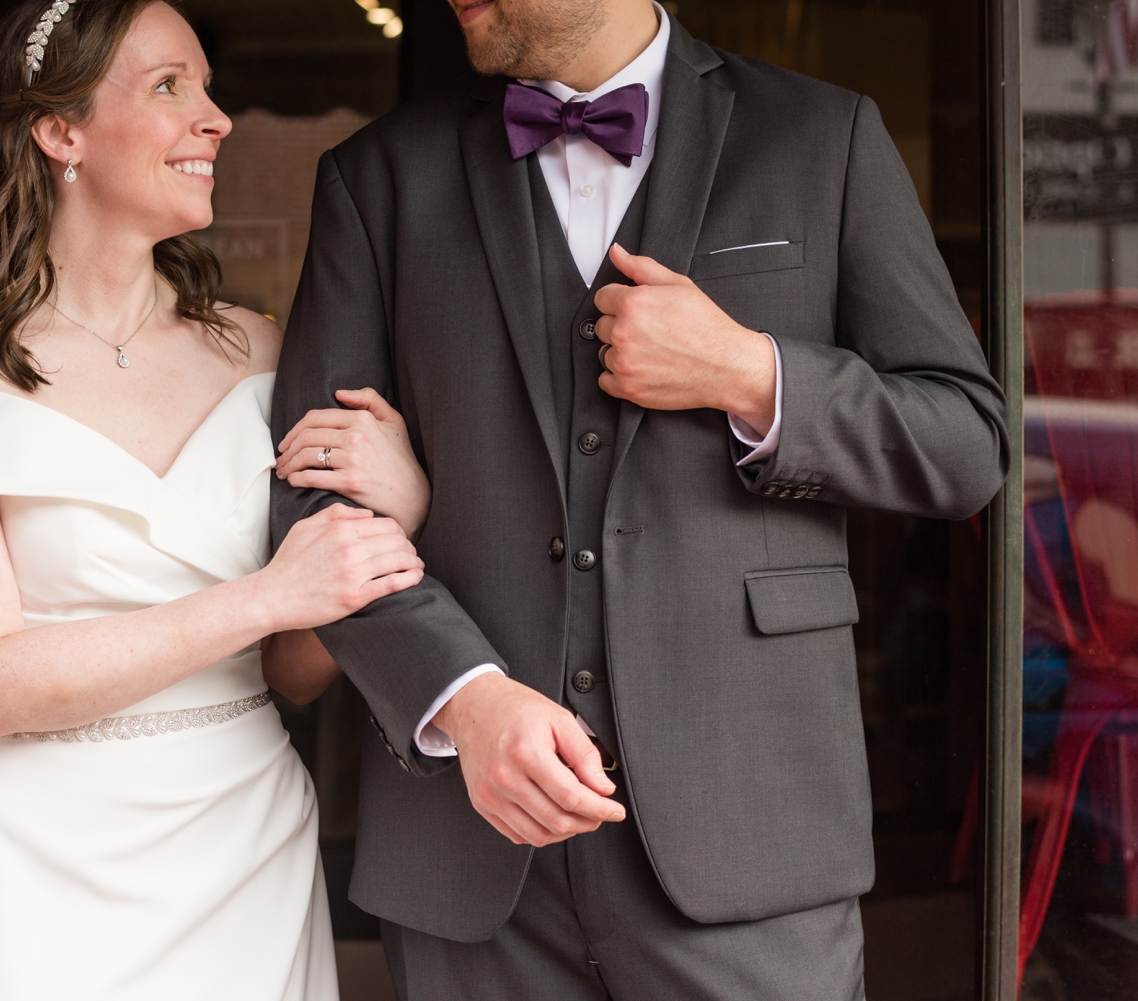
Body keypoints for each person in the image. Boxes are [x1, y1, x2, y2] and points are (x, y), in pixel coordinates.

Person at [270, 0, 1010, 997]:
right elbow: (317, 503)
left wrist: (750, 373)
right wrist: (465, 699)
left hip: (747, 826)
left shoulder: (819, 136)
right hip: (468, 842)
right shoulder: (380, 177)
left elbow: (965, 441)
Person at [0, 2, 432, 998]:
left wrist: (395, 512)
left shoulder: (261, 350)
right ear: (59, 132)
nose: (217, 118)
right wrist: (263, 596)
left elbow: (292, 670)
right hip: (31, 862)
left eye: (207, 88)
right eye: (171, 86)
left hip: (245, 837)